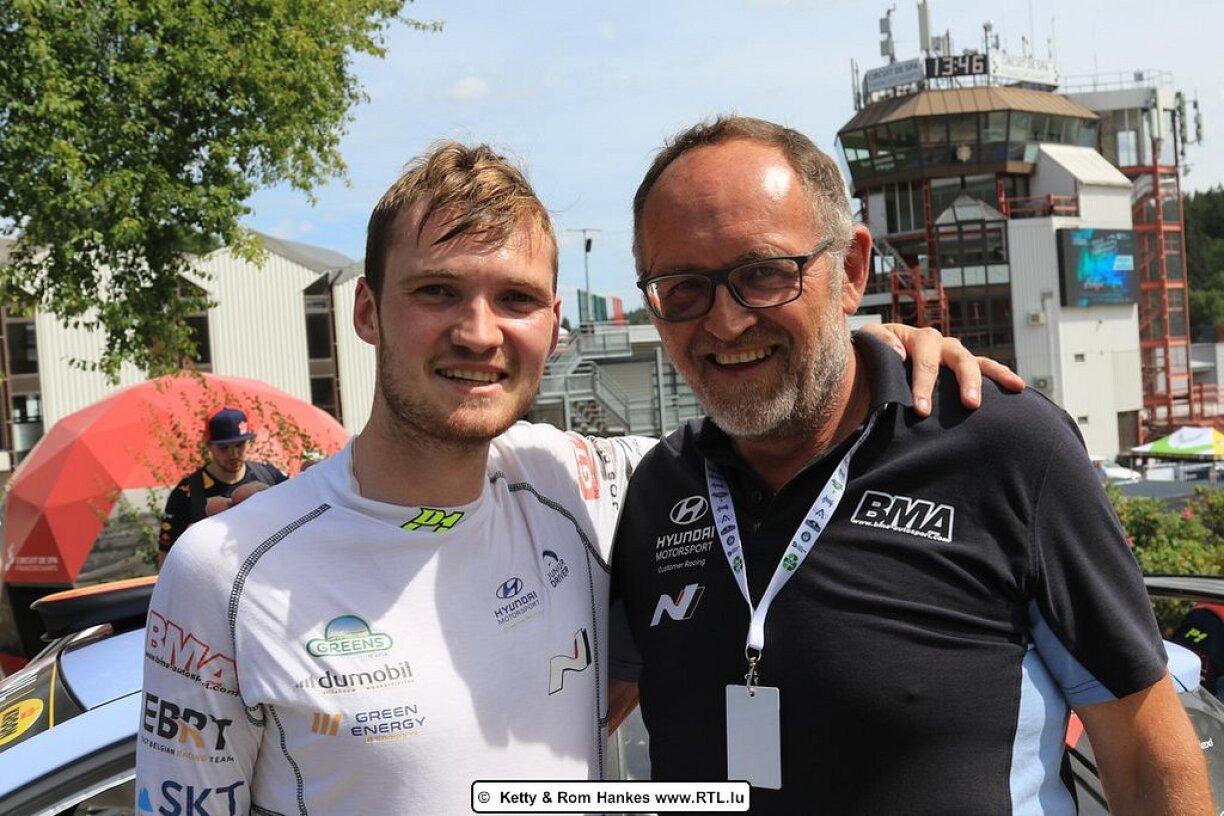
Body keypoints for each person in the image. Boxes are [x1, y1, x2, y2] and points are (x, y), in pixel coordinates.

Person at [136, 140, 1014, 814]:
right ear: (367, 311)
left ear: (555, 327)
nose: (479, 333)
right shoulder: (225, 571)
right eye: (437, 291)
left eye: (515, 299)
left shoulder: (583, 485)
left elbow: (777, 414)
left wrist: (878, 352)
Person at [609, 116, 1214, 814]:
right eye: (682, 287)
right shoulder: (661, 485)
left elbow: (1146, 761)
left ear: (851, 271)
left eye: (764, 274)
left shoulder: (1003, 448)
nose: (725, 322)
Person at [157, 406, 287, 566]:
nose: (233, 454)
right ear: (209, 446)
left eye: (239, 445)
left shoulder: (271, 477)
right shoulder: (187, 492)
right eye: (224, 448)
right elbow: (166, 556)